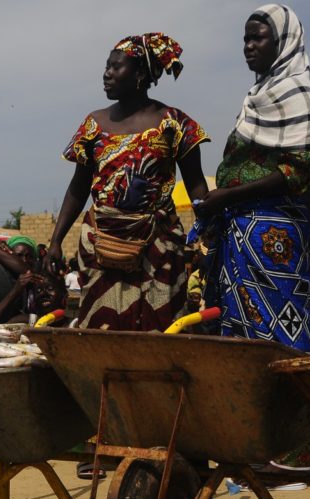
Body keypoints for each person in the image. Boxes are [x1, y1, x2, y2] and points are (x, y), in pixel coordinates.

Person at [197, 4, 310, 488]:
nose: (249, 47)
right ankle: (255, 449)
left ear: (284, 43)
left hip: (273, 238)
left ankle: (294, 454)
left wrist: (226, 195)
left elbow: (302, 168)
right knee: (245, 339)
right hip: (240, 236)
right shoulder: (259, 95)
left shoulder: (300, 94)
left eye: (258, 39)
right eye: (246, 39)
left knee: (282, 336)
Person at [47, 32, 211, 332]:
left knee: (160, 329)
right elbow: (78, 187)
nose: (106, 74)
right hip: (101, 244)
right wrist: (56, 240)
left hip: (158, 246)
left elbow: (197, 186)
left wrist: (208, 238)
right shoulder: (93, 125)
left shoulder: (174, 123)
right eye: (107, 66)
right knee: (100, 325)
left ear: (139, 74)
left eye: (115, 67)